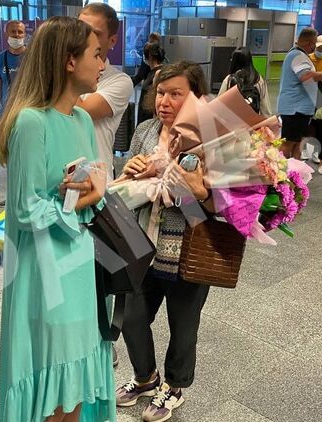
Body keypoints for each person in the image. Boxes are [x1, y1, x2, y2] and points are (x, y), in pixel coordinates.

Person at [0, 16, 113, 422]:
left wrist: (93, 193)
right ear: (69, 61)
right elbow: (26, 209)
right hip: (45, 273)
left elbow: (90, 191)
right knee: (52, 391)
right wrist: (81, 201)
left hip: (80, 264)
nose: (102, 64)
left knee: (75, 386)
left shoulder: (82, 119)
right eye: (96, 54)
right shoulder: (31, 122)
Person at [116, 61, 213, 422]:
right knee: (130, 315)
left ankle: (174, 386)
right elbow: (126, 184)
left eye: (176, 93)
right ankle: (145, 377)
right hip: (141, 242)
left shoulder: (209, 140)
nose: (164, 101)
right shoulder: (145, 130)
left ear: (196, 98)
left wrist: (179, 182)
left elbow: (211, 206)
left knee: (183, 324)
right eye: (160, 92)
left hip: (188, 248)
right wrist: (130, 173)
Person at [78, 2, 134, 181]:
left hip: (96, 179)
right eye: (80, 29)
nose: (84, 37)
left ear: (112, 41)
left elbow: (82, 112)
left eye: (95, 33)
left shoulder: (119, 81)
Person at [277, 27, 322, 160]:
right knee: (289, 143)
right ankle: (278, 169)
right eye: (314, 43)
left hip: (300, 109)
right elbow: (305, 75)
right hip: (295, 110)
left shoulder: (299, 55)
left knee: (298, 143)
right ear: (310, 43)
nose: (314, 47)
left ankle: (295, 170)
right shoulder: (297, 56)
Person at [0, 20, 26, 209]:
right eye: (14, 32)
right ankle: (12, 195)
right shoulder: (1, 59)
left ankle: (26, 194)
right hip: (7, 115)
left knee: (27, 156)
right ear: (7, 34)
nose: (17, 35)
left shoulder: (31, 57)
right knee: (11, 157)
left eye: (20, 32)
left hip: (27, 114)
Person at [218, 46, 273, 116]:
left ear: (234, 61)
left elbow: (219, 105)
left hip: (233, 119)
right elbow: (265, 109)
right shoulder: (258, 79)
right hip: (253, 120)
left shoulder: (229, 79)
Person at [135, 42, 166, 124]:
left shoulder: (158, 74)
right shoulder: (151, 72)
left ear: (149, 56)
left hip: (149, 118)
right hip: (145, 116)